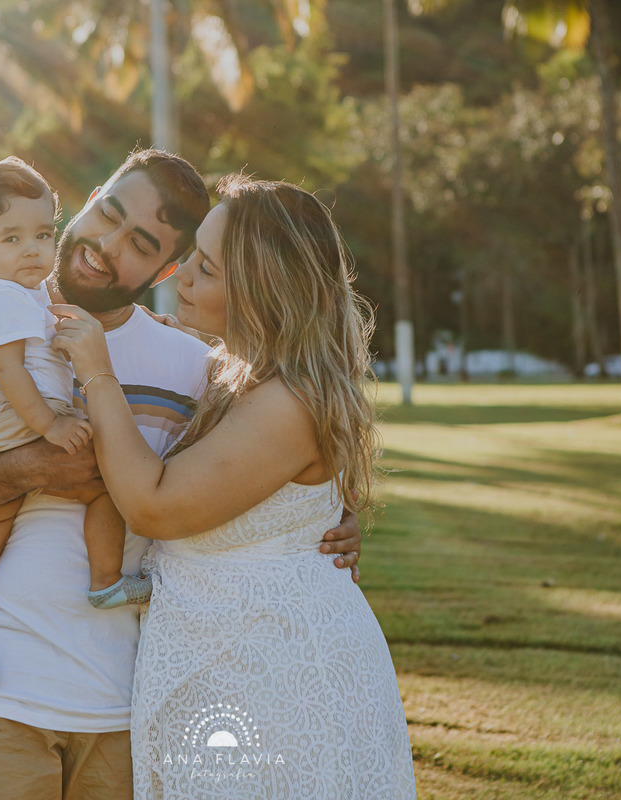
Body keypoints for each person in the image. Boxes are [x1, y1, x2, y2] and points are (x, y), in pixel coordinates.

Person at [0, 149, 365, 800]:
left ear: (166, 268)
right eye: (107, 213)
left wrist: (335, 522)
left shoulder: (197, 367)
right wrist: (34, 467)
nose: (106, 246)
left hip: (127, 710)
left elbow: (280, 460)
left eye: (139, 243)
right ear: (87, 198)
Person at [52, 174, 416, 799]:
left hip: (273, 679)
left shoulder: (288, 403)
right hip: (226, 666)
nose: (181, 277)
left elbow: (154, 504)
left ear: (261, 293)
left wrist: (96, 373)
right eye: (188, 257)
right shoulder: (236, 374)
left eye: (206, 269)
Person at [0, 157, 148, 694]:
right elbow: (7, 370)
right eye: (11, 238)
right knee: (104, 475)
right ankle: (104, 581)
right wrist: (49, 425)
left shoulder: (15, 291)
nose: (33, 249)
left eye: (44, 233)